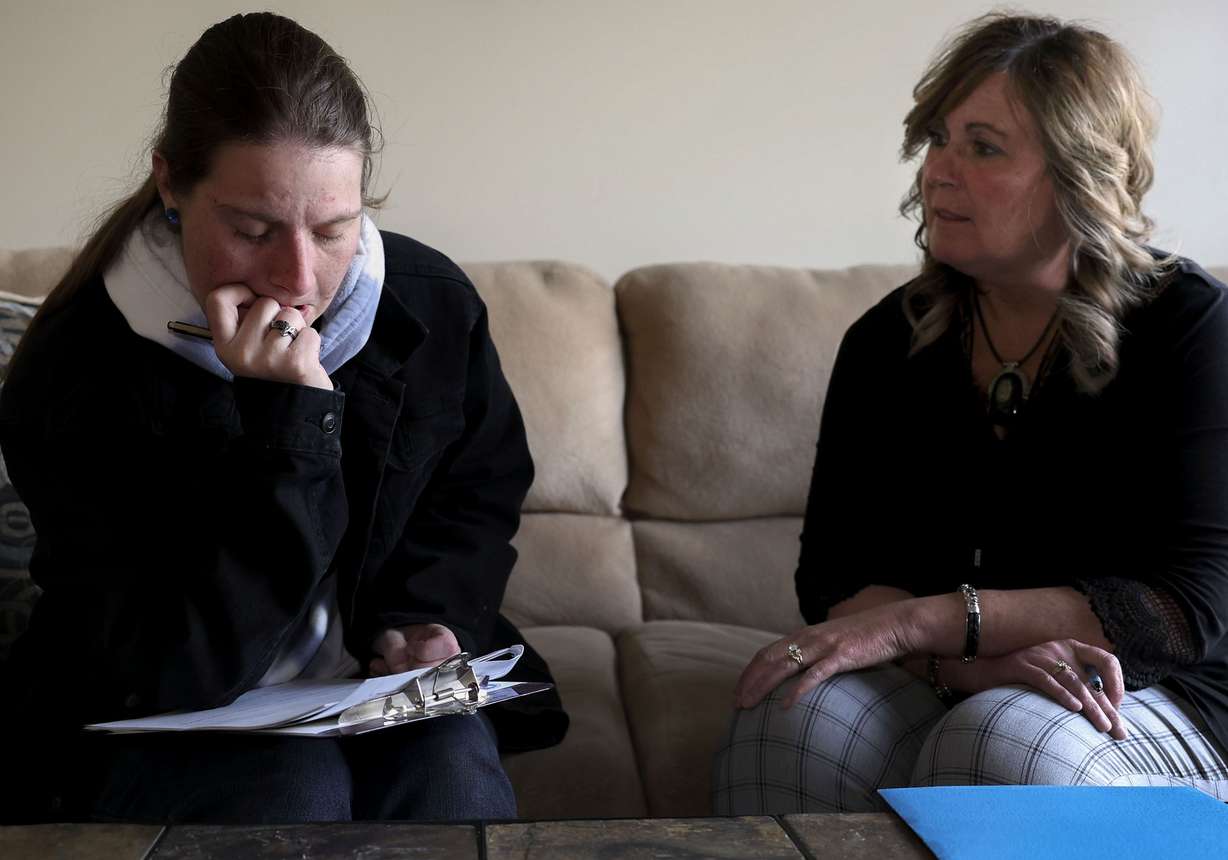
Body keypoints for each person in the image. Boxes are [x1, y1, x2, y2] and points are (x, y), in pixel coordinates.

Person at [0, 12, 566, 824]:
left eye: (333, 230)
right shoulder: (78, 362)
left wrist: (424, 614)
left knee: (452, 776)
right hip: (168, 699)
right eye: (253, 229)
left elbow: (475, 491)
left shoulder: (431, 302)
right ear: (170, 184)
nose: (298, 277)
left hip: (368, 688)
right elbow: (175, 661)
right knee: (294, 792)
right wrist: (291, 419)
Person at [715, 12, 1228, 813]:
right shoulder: (887, 338)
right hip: (961, 675)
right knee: (791, 710)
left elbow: (1188, 608)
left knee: (997, 740)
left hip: (1170, 689)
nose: (938, 173)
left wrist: (933, 623)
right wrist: (963, 660)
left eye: (983, 148)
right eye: (937, 141)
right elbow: (835, 578)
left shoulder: (1191, 327)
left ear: (1078, 175)